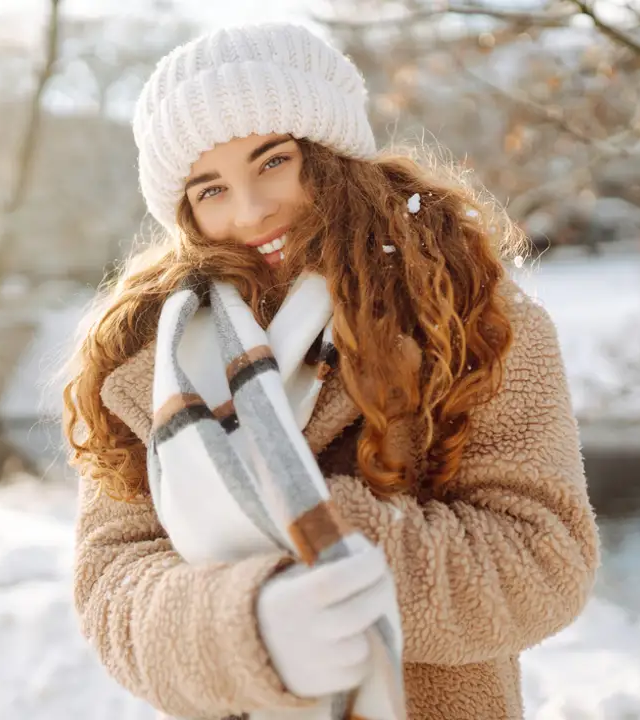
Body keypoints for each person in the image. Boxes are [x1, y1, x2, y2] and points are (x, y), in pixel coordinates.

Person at [62, 22, 599, 720]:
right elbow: (111, 585)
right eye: (210, 190)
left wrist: (333, 545)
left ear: (331, 152)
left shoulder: (471, 318)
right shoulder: (149, 358)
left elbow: (544, 558)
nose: (251, 210)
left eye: (272, 161)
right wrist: (249, 626)